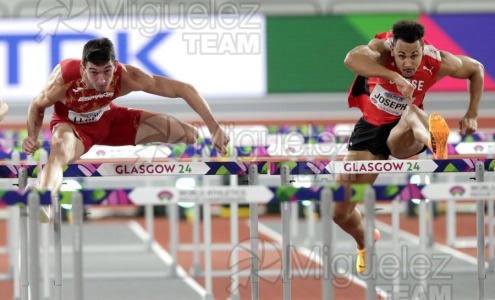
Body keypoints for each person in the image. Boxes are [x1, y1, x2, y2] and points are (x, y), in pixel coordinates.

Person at [22, 37, 230, 222]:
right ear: (83, 68)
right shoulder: (64, 80)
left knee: (189, 134)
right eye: (94, 73)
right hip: (73, 129)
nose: (101, 80)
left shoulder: (127, 76)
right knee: (59, 151)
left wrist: (214, 129)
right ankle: (44, 198)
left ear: (115, 65)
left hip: (111, 120)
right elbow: (37, 106)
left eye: (107, 71)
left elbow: (184, 89)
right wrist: (32, 136)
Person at [337, 19, 484, 273]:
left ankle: (435, 142)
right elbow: (351, 60)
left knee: (412, 111)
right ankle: (365, 241)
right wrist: (392, 75)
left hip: (405, 135)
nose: (408, 63)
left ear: (422, 49)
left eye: (414, 56)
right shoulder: (380, 49)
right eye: (402, 56)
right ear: (393, 48)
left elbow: (476, 69)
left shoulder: (437, 60)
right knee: (340, 211)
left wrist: (471, 113)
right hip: (370, 131)